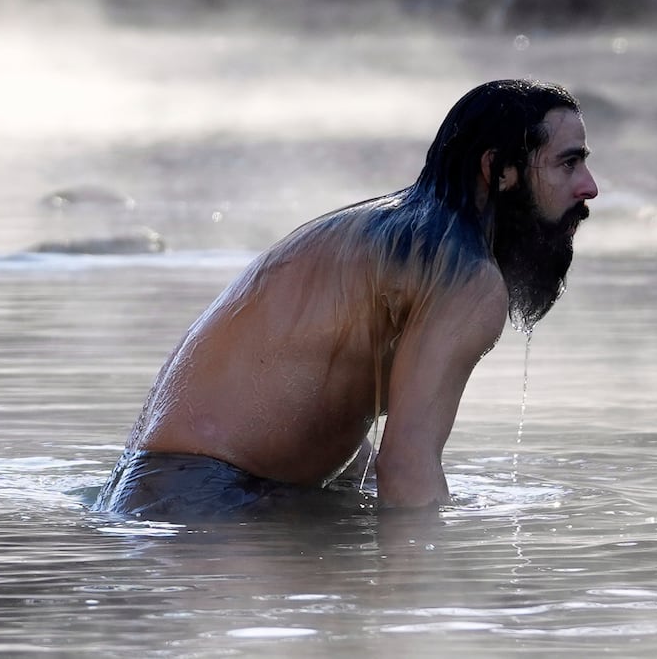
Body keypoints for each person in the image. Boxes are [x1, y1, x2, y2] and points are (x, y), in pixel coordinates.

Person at [94, 79, 598, 518]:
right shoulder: (462, 274)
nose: (590, 187)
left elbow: (322, 402)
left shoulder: (388, 235)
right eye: (567, 163)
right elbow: (405, 467)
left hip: (153, 489)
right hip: (208, 504)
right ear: (500, 170)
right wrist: (435, 606)